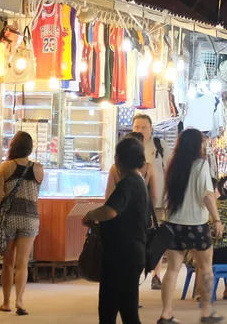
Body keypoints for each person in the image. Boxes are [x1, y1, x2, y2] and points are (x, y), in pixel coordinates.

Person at [158, 128, 223, 324]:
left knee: (172, 269)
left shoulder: (173, 165)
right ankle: (206, 312)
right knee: (205, 268)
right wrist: (217, 219)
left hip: (173, 223)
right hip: (196, 224)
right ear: (198, 145)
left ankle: (166, 314)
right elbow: (207, 195)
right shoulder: (201, 165)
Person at [83, 136, 149, 324]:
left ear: (118, 160)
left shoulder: (128, 184)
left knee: (125, 312)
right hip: (128, 254)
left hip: (123, 256)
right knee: (110, 309)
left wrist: (91, 215)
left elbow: (110, 211)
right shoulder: (139, 181)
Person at [0, 131, 44, 316]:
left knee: (8, 263)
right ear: (30, 148)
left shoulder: (5, 167)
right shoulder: (39, 169)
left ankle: (6, 302)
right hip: (30, 218)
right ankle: (20, 301)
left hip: (10, 218)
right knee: (22, 263)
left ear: (13, 146)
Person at [131, 113, 169, 290]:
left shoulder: (160, 146)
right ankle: (136, 273)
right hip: (134, 203)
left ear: (151, 129)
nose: (140, 130)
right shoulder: (127, 147)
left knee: (156, 238)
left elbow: (170, 170)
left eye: (144, 127)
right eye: (137, 127)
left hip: (159, 200)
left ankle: (156, 274)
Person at [106, 132, 157, 207]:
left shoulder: (115, 168)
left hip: (119, 213)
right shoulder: (149, 168)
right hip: (141, 214)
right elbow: (154, 197)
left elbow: (108, 196)